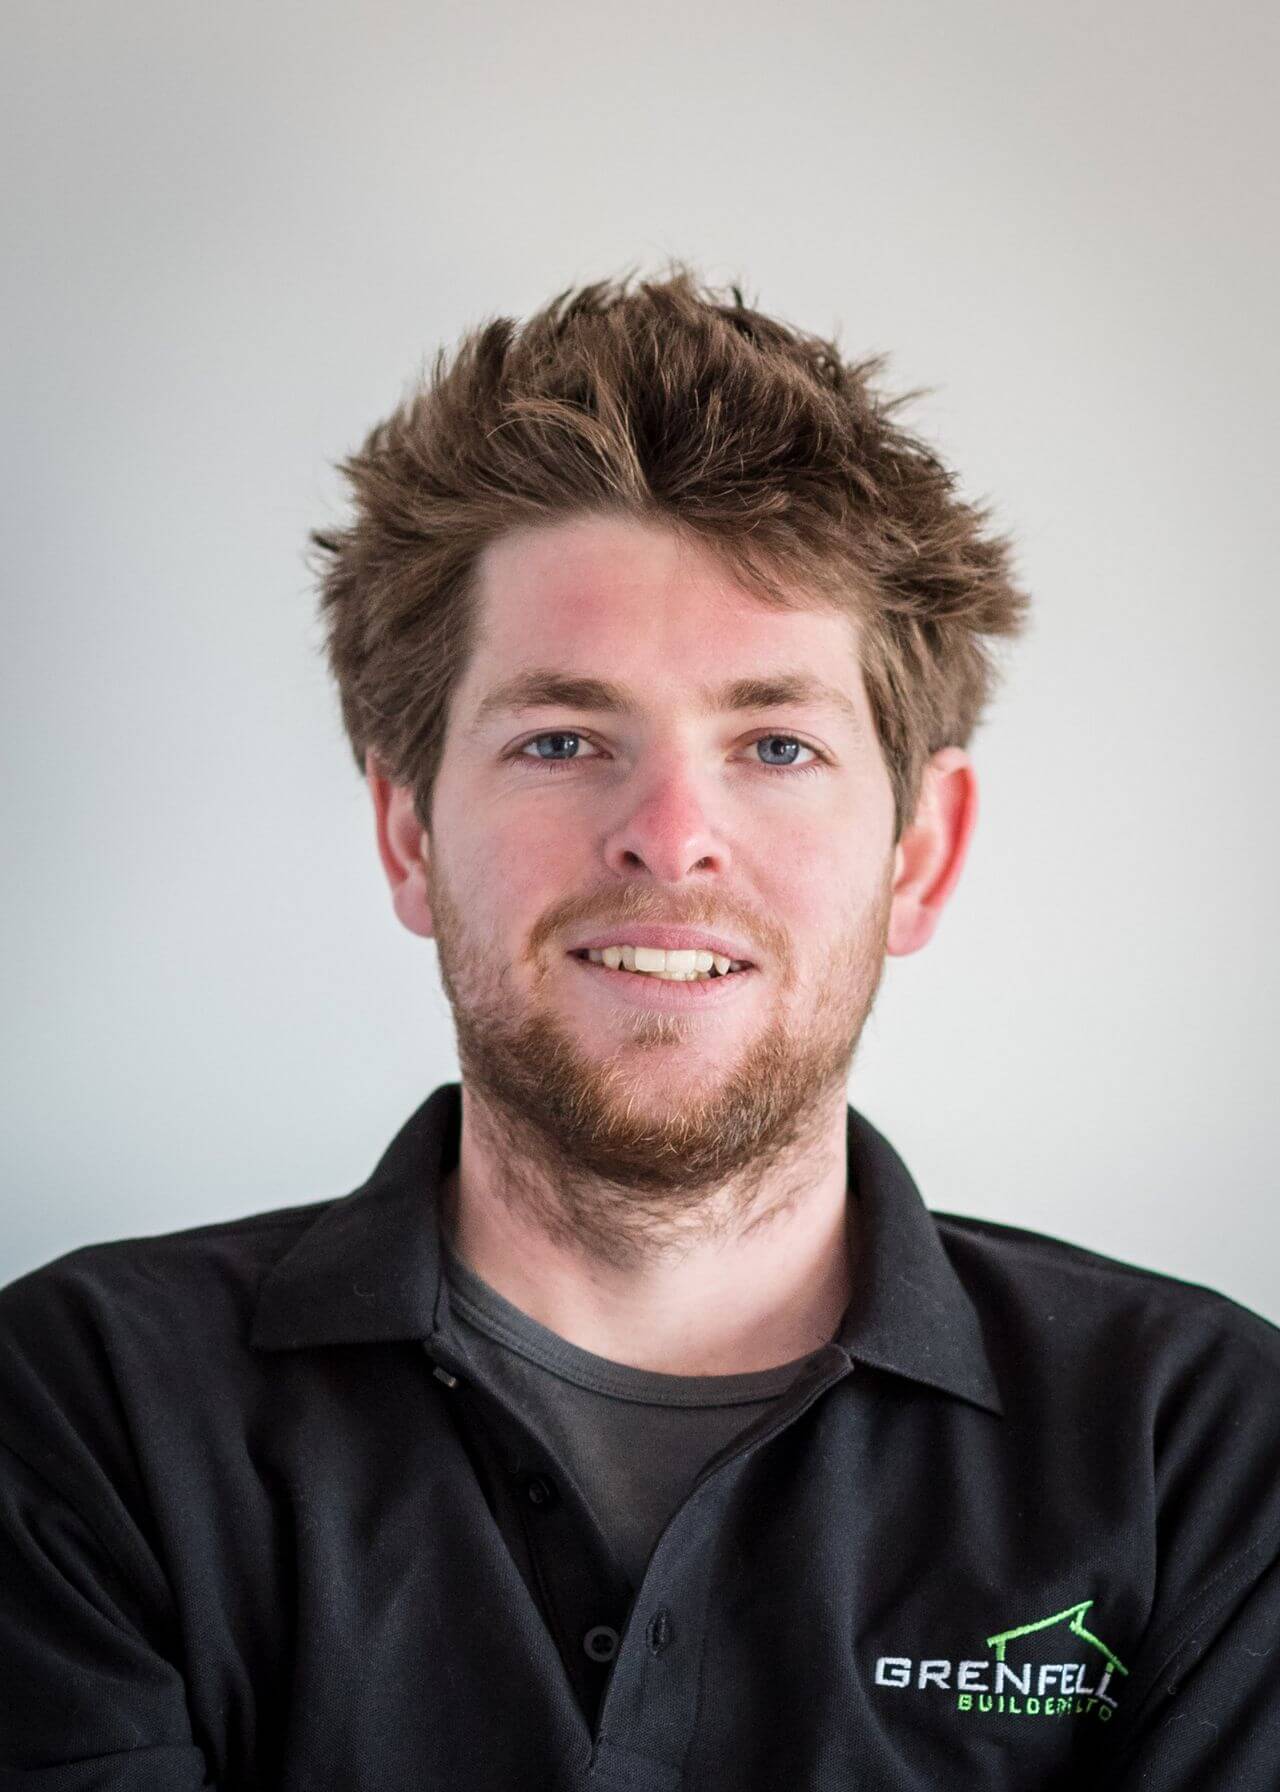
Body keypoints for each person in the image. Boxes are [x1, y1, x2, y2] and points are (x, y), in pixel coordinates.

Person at [1, 269, 1276, 1790]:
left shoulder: (1204, 1452)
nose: (671, 838)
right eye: (561, 739)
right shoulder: (83, 1413)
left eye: (776, 743)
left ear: (918, 854)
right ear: (407, 833)